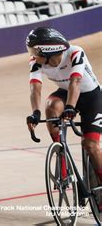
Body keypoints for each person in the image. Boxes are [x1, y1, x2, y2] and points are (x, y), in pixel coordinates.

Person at [26, 27, 102, 185]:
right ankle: (61, 160)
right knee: (51, 105)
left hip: (92, 97)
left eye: (33, 50)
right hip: (66, 92)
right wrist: (35, 112)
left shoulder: (75, 53)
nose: (31, 54)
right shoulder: (36, 62)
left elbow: (76, 82)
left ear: (46, 51)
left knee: (90, 145)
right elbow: (35, 87)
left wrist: (70, 107)